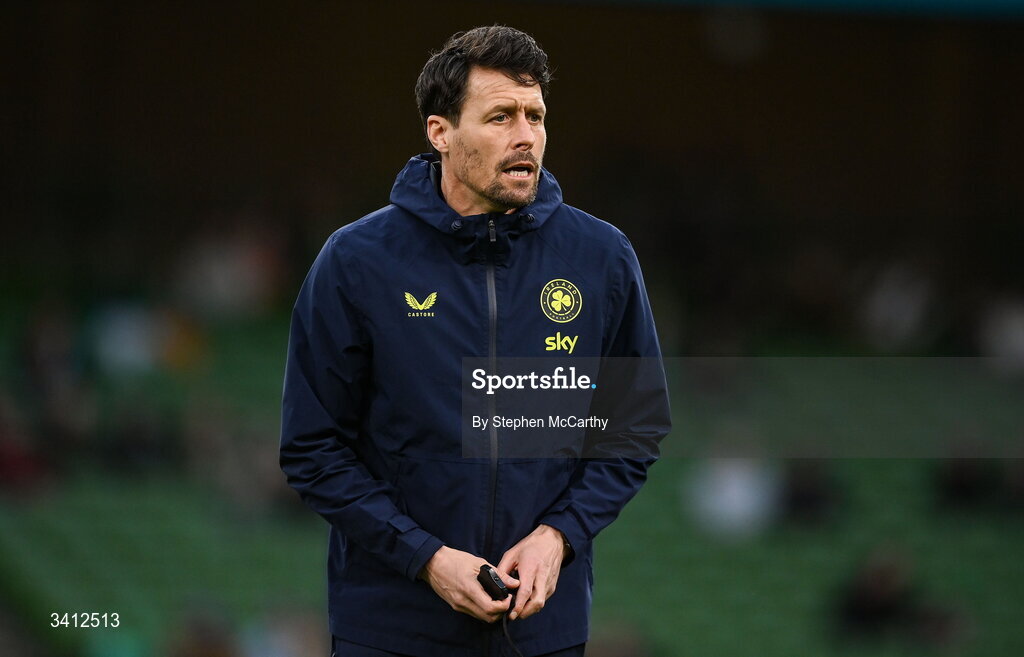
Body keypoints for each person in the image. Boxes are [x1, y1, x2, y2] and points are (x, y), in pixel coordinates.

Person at [280, 25, 671, 657]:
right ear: (440, 132)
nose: (526, 135)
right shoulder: (357, 261)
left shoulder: (602, 257)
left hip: (541, 630)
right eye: (500, 117)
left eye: (535, 116)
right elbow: (312, 448)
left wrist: (559, 536)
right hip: (391, 628)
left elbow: (632, 428)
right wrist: (426, 558)